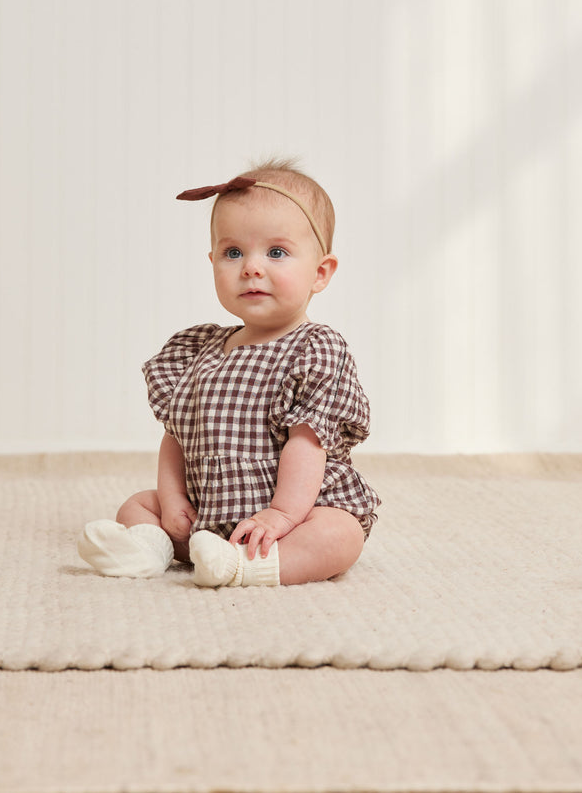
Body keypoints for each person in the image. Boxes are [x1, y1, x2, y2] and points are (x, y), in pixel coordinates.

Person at [77, 159, 380, 587]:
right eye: (233, 252)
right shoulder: (196, 349)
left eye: (276, 252)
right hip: (205, 510)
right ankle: (148, 549)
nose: (251, 267)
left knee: (340, 535)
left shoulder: (315, 349)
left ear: (320, 272)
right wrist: (173, 500)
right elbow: (177, 435)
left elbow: (307, 443)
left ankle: (246, 566)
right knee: (138, 506)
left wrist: (281, 514)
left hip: (288, 516)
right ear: (212, 261)